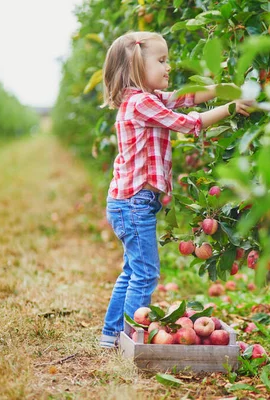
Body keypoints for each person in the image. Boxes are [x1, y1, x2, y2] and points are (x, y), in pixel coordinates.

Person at [98, 31, 253, 348]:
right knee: (145, 273)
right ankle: (130, 341)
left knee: (132, 270)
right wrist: (231, 107)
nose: (168, 67)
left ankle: (110, 335)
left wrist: (223, 89)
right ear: (137, 66)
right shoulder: (141, 103)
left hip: (129, 201)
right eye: (162, 60)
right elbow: (187, 122)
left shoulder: (146, 99)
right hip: (134, 202)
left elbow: (186, 97)